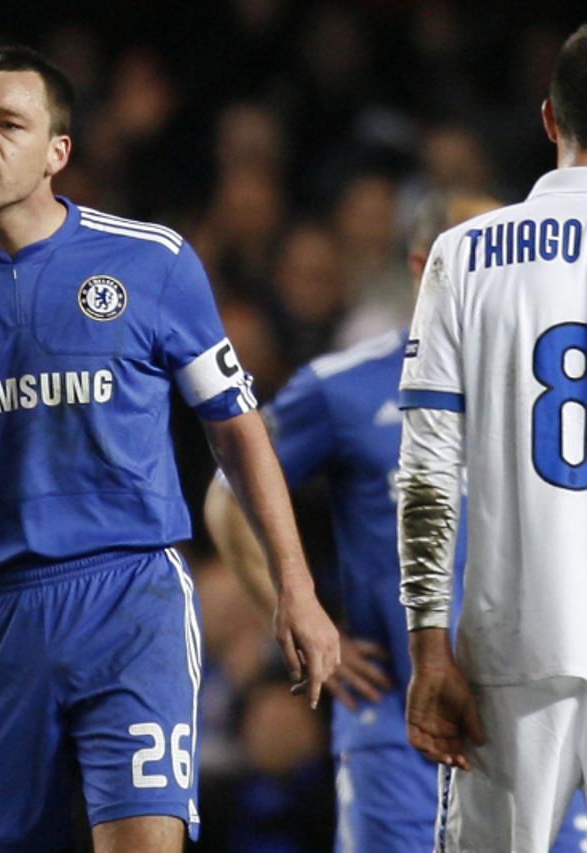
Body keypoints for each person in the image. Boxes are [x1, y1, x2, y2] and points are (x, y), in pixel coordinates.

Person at [0, 46, 339, 852]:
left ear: (56, 153)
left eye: (8, 124)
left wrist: (296, 587)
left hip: (129, 596)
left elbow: (238, 431)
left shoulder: (151, 260)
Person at [205, 191, 587, 851]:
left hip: (541, 721)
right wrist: (296, 605)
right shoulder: (343, 386)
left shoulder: (557, 382)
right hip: (396, 728)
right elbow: (228, 493)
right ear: (423, 264)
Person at [398, 24, 587, 850]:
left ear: (549, 119)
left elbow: (428, 470)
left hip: (513, 640)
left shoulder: (463, 254)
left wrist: (428, 641)